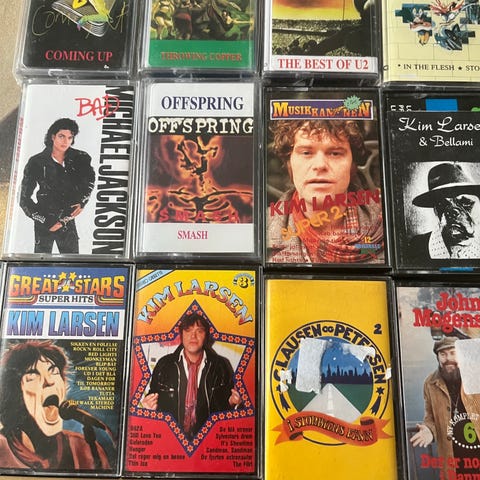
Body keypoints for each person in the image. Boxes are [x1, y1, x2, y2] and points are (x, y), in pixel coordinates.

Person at [267, 119, 383, 263]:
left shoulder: (388, 225)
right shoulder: (260, 230)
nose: (320, 165)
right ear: (289, 164)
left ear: (353, 165)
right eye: (306, 153)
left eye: (335, 153)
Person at [0, 341, 109, 471]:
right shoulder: (2, 448)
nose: (49, 381)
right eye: (32, 376)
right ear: (16, 394)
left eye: (54, 371)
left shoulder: (85, 448)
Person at [142, 311, 242, 438]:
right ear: (181, 335)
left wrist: (233, 404)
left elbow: (226, 410)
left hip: (210, 440)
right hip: (171, 438)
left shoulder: (221, 366)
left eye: (199, 331)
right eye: (188, 331)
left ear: (206, 336)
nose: (193, 336)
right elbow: (154, 402)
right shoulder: (164, 364)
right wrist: (149, 409)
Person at [19, 118, 95, 254]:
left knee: (72, 261)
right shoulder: (36, 162)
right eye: (61, 136)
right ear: (53, 137)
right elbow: (23, 198)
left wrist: (80, 203)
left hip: (67, 218)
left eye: (70, 137)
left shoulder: (81, 158)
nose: (65, 141)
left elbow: (88, 182)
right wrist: (42, 219)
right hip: (43, 218)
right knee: (41, 261)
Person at [410, 337, 480, 477]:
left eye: (453, 353)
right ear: (437, 357)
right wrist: (429, 430)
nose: (448, 359)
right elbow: (430, 417)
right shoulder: (430, 383)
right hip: (452, 460)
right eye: (443, 354)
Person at [407, 162, 480, 261]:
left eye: (465, 203)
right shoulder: (418, 246)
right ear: (435, 210)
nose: (452, 212)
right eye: (443, 205)